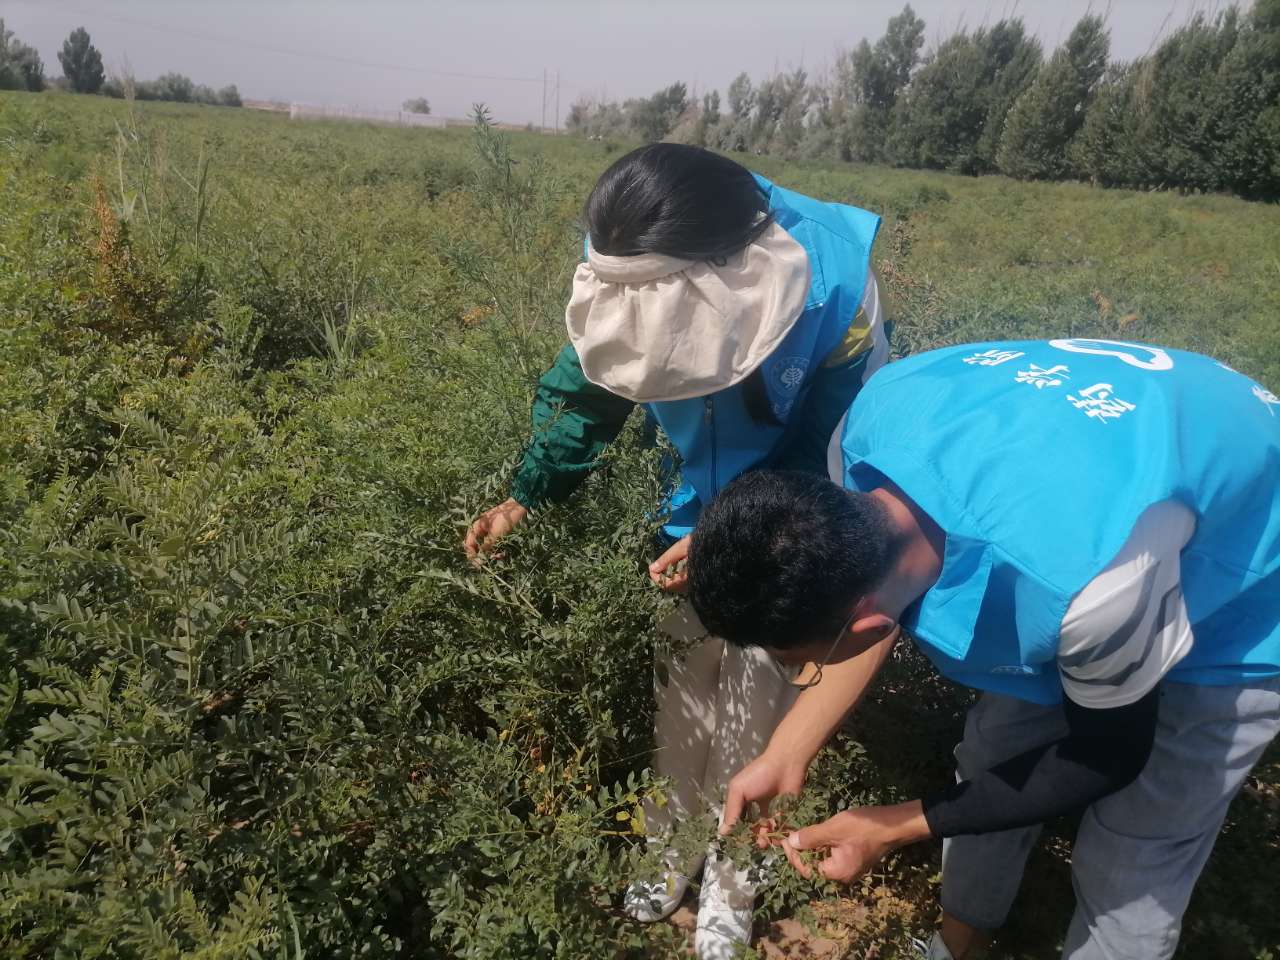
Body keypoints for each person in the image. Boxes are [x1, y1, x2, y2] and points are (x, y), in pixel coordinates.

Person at [685, 338, 1280, 960]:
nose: (809, 672)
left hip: (1241, 562)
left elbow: (1108, 755)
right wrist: (786, 751)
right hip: (1130, 455)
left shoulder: (1087, 587)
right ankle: (961, 943)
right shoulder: (861, 435)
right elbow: (869, 595)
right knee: (997, 753)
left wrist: (894, 825)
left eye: (802, 664)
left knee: (1134, 857)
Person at [462, 143, 889, 957]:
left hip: (785, 530)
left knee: (757, 708)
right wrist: (529, 492)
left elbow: (835, 441)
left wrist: (734, 531)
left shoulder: (837, 285)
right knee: (684, 692)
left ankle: (733, 879)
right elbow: (591, 386)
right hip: (684, 512)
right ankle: (669, 848)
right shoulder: (635, 249)